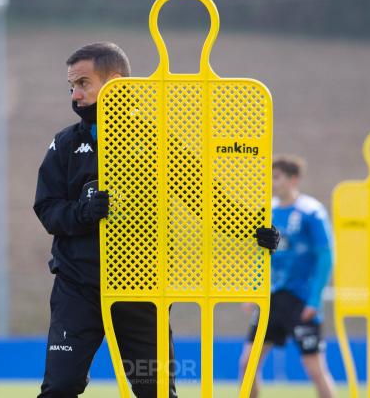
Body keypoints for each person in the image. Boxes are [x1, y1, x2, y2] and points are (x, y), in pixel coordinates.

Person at [34, 42, 280, 397]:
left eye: (84, 83)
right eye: (71, 86)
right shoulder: (65, 145)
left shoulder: (152, 139)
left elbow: (201, 194)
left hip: (140, 287)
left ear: (116, 82)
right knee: (60, 387)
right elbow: (46, 208)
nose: (75, 95)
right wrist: (83, 214)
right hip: (78, 286)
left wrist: (250, 228)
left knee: (157, 391)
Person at [238, 155, 336, 398]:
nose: (271, 182)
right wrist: (253, 291)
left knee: (314, 368)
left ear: (293, 180)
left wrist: (314, 300)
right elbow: (260, 256)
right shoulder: (266, 211)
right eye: (269, 177)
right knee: (247, 364)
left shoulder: (311, 212)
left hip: (300, 300)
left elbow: (325, 257)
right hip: (271, 299)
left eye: (276, 177)